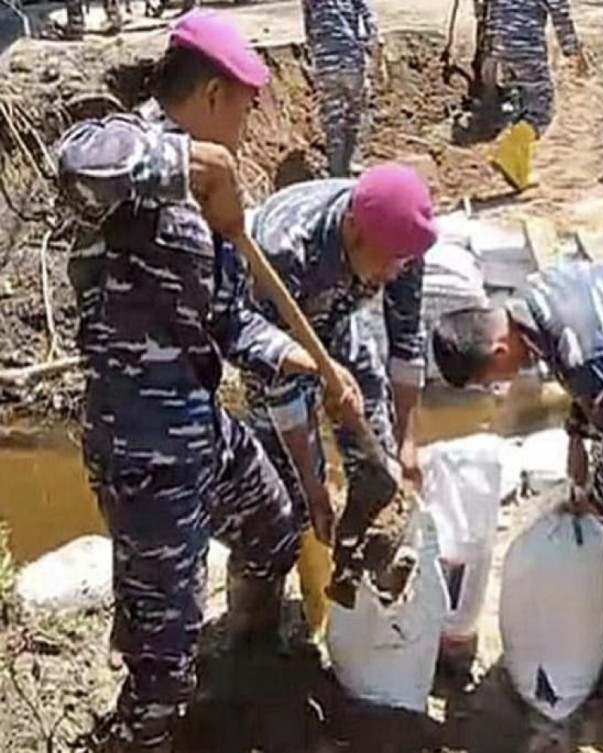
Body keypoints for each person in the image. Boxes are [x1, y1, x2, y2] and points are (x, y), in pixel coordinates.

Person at [54, 11, 365, 751]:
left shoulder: (216, 213)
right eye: (250, 109)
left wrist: (314, 366)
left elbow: (233, 324)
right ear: (218, 94)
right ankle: (138, 733)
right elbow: (72, 162)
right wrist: (193, 166)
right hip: (144, 450)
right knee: (163, 674)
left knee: (273, 530)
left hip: (203, 429)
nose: (249, 129)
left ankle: (246, 666)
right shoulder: (126, 145)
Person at [243, 169, 436, 633]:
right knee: (285, 494)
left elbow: (406, 341)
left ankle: (357, 583)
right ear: (352, 229)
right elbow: (280, 390)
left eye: (402, 263)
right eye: (388, 262)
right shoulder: (284, 253)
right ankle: (262, 617)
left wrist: (408, 440)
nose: (396, 272)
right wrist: (314, 489)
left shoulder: (403, 240)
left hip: (340, 324)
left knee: (379, 466)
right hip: (271, 337)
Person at [431, 260, 603, 549]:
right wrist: (576, 437)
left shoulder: (575, 351)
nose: (496, 388)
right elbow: (589, 382)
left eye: (488, 380)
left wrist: (597, 501)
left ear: (498, 351)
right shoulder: (530, 300)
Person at [489, 0, 589, 191]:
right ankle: (507, 152)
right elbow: (560, 13)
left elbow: (493, 9)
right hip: (527, 47)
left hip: (503, 45)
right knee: (542, 110)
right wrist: (572, 49)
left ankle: (520, 172)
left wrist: (494, 49)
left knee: (523, 106)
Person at [302, 0, 383, 177]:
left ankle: (337, 170)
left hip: (325, 62)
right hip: (351, 59)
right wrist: (373, 48)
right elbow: (369, 19)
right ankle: (351, 160)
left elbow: (308, 28)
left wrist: (313, 53)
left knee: (332, 120)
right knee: (354, 112)